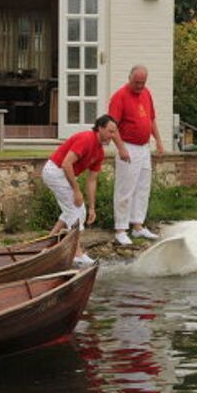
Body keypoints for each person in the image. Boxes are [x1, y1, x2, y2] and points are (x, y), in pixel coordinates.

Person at [43, 114, 118, 265]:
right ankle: (76, 254)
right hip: (55, 171)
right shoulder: (86, 139)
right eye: (110, 131)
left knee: (74, 210)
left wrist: (92, 207)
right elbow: (66, 164)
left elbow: (91, 181)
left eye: (114, 132)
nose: (113, 135)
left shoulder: (99, 152)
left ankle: (49, 242)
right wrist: (76, 191)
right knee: (76, 211)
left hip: (62, 173)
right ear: (100, 128)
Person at [109, 65, 165, 246]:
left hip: (143, 147)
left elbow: (151, 119)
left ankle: (138, 225)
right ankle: (120, 229)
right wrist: (121, 148)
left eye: (143, 82)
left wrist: (158, 140)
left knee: (143, 187)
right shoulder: (120, 96)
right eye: (137, 82)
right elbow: (112, 126)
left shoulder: (147, 93)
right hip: (128, 146)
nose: (140, 86)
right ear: (130, 78)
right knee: (125, 188)